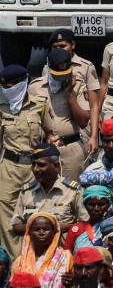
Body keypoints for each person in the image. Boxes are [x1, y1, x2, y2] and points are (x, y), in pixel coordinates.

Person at [0, 64, 48, 257]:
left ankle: (35, 260)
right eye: (5, 87)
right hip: (9, 168)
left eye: (13, 86)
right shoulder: (2, 109)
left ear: (23, 84)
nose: (8, 90)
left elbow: (50, 135)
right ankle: (13, 264)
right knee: (6, 219)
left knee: (36, 215)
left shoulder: (40, 105)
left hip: (35, 169)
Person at [28, 50, 93, 181]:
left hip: (69, 149)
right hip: (43, 150)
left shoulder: (78, 85)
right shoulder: (35, 87)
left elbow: (83, 121)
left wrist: (70, 95)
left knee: (71, 192)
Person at [10, 144, 81, 237]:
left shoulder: (72, 191)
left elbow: (84, 224)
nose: (35, 169)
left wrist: (58, 228)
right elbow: (16, 227)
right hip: (34, 250)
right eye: (33, 164)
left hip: (64, 249)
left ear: (56, 166)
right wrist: (36, 228)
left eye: (41, 165)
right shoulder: (27, 192)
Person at [12, 213, 71, 288]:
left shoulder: (66, 258)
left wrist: (70, 283)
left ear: (54, 232)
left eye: (46, 229)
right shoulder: (19, 262)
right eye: (36, 229)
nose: (41, 233)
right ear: (29, 233)